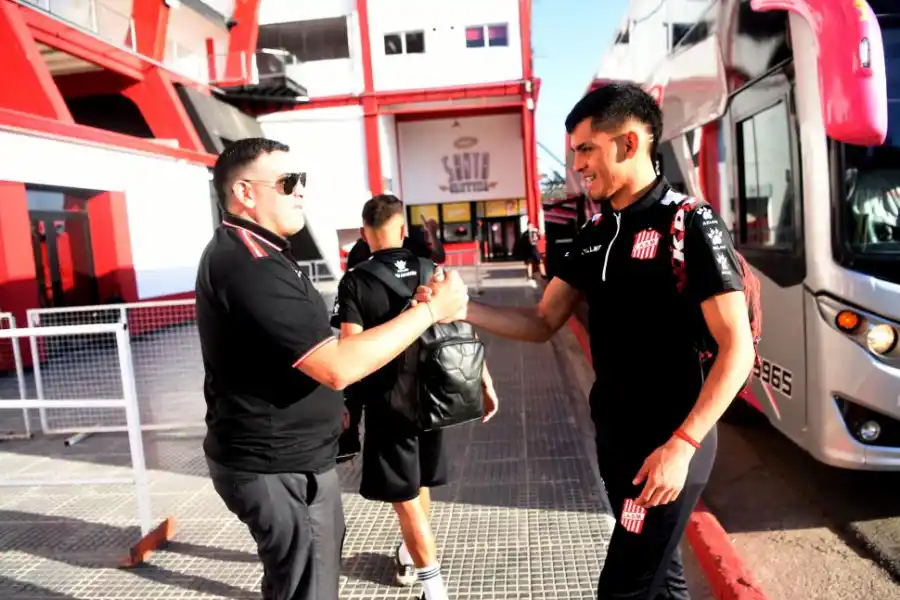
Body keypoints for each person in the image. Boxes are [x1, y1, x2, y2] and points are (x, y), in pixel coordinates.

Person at [415, 83, 756, 599]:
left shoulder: (687, 223)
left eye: (585, 149)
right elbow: (541, 321)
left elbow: (738, 349)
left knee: (621, 588)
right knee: (661, 580)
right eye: (575, 151)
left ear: (629, 144)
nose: (577, 164)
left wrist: (681, 447)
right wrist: (460, 308)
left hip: (667, 446)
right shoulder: (595, 233)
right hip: (615, 441)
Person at [195, 138, 470, 600]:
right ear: (245, 192)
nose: (300, 190)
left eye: (301, 181)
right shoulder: (251, 266)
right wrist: (429, 312)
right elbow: (338, 365)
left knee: (301, 582)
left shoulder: (262, 253)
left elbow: (301, 346)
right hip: (278, 465)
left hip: (291, 458)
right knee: (310, 590)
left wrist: (335, 406)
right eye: (287, 182)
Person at [331, 194, 499, 600]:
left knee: (404, 499)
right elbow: (460, 327)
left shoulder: (355, 279)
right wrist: (485, 381)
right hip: (434, 397)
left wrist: (345, 409)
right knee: (419, 482)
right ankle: (409, 552)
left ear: (364, 233)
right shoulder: (431, 268)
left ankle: (433, 586)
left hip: (389, 405)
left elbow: (350, 352)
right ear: (403, 230)